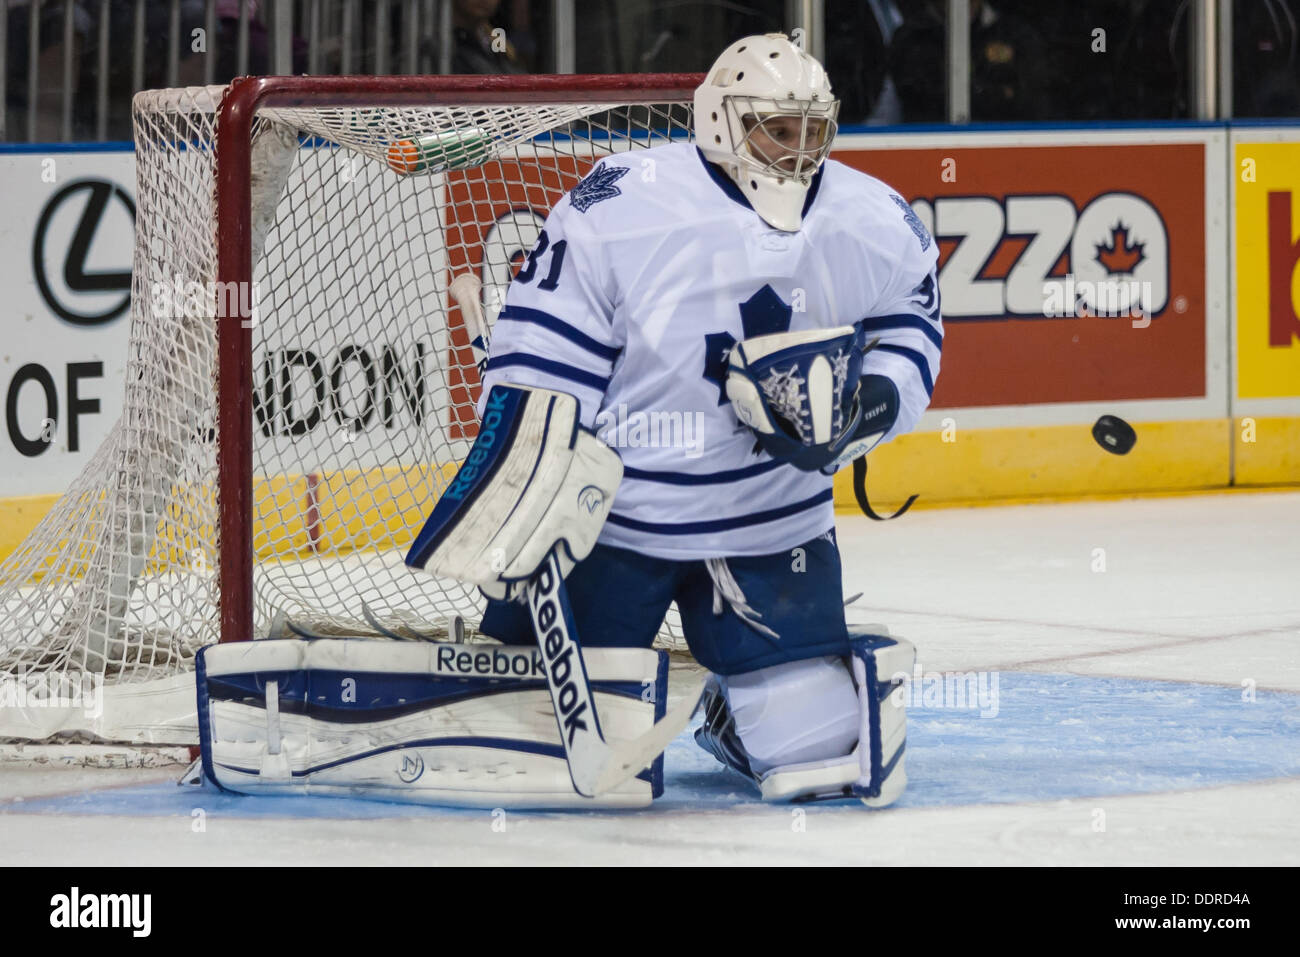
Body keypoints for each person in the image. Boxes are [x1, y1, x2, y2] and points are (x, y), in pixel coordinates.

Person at [459, 34, 942, 806]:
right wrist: (533, 473)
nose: (799, 149)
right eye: (777, 129)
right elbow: (541, 354)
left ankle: (735, 713)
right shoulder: (623, 200)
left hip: (769, 526)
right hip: (615, 525)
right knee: (537, 758)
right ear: (720, 122)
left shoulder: (867, 214)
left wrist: (869, 407)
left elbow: (911, 323)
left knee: (816, 757)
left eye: (813, 129)